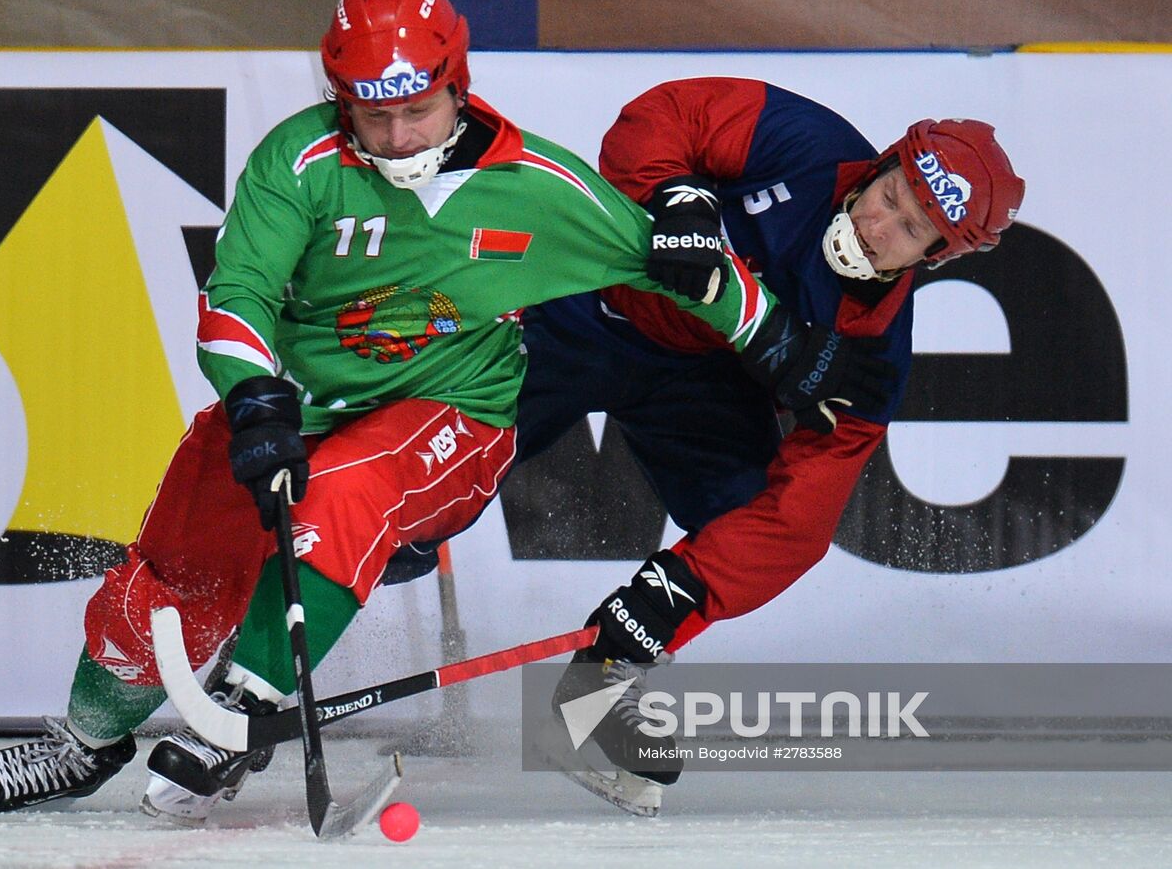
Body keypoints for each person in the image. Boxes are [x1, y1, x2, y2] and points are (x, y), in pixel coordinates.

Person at [0, 0, 886, 821]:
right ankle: (84, 742)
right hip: (301, 402)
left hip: (454, 416)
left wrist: (781, 343)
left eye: (416, 111)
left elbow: (681, 265)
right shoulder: (296, 164)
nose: (394, 138)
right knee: (180, 557)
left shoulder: (538, 188)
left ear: (457, 84)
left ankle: (241, 711)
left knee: (346, 491)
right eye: (369, 114)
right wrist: (255, 400)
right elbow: (237, 296)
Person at [388, 76, 1025, 814]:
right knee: (413, 507)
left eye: (911, 229)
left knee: (747, 511)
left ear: (937, 257)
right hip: (578, 306)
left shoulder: (872, 350)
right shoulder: (808, 143)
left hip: (693, 385)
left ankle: (596, 685)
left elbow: (798, 521)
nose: (880, 225)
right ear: (883, 161)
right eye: (890, 194)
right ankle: (262, 650)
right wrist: (676, 194)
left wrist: (670, 599)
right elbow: (664, 116)